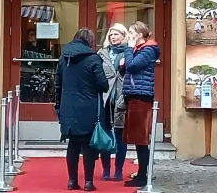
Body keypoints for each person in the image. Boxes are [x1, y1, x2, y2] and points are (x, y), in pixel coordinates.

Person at [55, 28, 109, 192]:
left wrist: (58, 106)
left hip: (69, 106)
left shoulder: (64, 58)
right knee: (88, 146)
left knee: (72, 144)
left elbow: (58, 84)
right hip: (88, 106)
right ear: (90, 42)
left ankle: (72, 181)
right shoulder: (93, 59)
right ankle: (88, 182)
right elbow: (103, 85)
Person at [120, 22, 160, 189]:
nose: (129, 35)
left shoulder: (148, 49)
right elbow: (125, 70)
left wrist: (128, 51)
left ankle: (143, 175)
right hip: (133, 95)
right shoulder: (137, 50)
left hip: (141, 97)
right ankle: (142, 173)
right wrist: (123, 63)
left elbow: (133, 66)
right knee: (137, 139)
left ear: (140, 34)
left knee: (141, 139)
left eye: (131, 32)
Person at [98, 24, 129, 182]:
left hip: (121, 98)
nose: (113, 37)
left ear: (124, 36)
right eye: (111, 34)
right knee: (105, 134)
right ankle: (105, 169)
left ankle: (118, 169)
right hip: (105, 98)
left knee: (120, 135)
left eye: (117, 34)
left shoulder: (129, 52)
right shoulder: (102, 53)